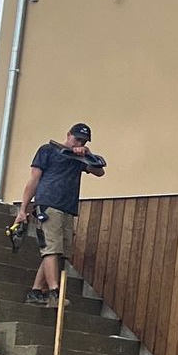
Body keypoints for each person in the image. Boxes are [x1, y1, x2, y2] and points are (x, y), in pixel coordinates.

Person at [15, 123, 106, 305]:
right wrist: (23, 209)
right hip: (48, 204)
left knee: (59, 252)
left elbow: (100, 172)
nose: (78, 142)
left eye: (83, 140)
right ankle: (54, 292)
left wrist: (87, 154)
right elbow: (33, 180)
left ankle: (36, 291)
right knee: (51, 248)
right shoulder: (48, 150)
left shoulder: (78, 158)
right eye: (77, 138)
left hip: (68, 208)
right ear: (68, 135)